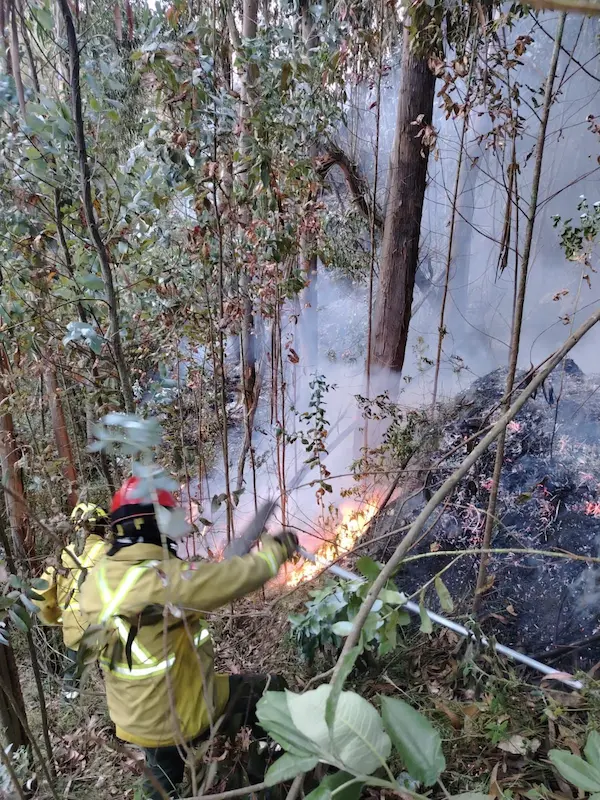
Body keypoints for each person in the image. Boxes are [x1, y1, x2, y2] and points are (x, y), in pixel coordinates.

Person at [79, 477, 298, 799]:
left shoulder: (99, 578)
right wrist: (274, 553)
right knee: (269, 689)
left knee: (162, 775)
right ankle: (271, 780)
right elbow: (230, 578)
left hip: (135, 716)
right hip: (177, 714)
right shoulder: (160, 580)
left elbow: (188, 582)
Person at [34, 502, 110, 700]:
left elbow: (40, 595)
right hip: (104, 630)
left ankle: (70, 704)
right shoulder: (110, 553)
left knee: (72, 679)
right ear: (102, 526)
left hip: (73, 630)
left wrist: (56, 619)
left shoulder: (64, 555)